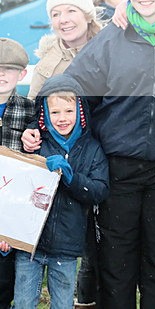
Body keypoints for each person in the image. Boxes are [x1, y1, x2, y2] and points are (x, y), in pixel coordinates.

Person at [24, 0, 155, 308]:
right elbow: (68, 86)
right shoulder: (112, 37)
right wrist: (35, 125)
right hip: (119, 164)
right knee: (117, 259)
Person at [3, 74, 108, 309]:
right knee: (23, 303)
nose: (62, 118)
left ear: (80, 111)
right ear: (44, 115)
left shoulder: (92, 149)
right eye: (55, 112)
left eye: (69, 111)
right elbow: (13, 191)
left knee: (62, 304)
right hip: (30, 245)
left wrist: (71, 178)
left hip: (67, 248)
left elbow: (100, 190)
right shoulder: (34, 145)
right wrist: (8, 232)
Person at [0, 38, 35, 309]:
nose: (1, 74)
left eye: (9, 69)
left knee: (4, 281)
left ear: (22, 74)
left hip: (11, 212)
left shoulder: (29, 109)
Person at [28, 0, 104, 99]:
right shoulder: (46, 65)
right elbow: (33, 110)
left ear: (88, 16)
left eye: (71, 11)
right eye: (56, 14)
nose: (63, 20)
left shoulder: (107, 52)